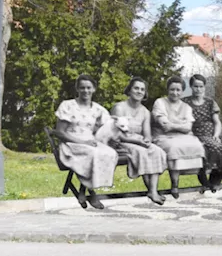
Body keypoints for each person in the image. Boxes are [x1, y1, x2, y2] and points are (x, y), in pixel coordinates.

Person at [53, 74, 119, 209]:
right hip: (70, 143)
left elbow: (103, 128)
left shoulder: (98, 109)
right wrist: (82, 142)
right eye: (82, 88)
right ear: (77, 89)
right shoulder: (68, 106)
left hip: (90, 142)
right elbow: (60, 133)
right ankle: (92, 192)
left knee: (110, 153)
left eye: (89, 87)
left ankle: (83, 190)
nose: (85, 91)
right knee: (93, 154)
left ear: (94, 89)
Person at [109, 76, 168, 205]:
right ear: (129, 90)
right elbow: (117, 134)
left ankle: (153, 191)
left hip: (137, 141)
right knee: (142, 152)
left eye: (142, 89)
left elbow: (147, 134)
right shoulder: (119, 108)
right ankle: (152, 191)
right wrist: (139, 143)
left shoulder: (145, 112)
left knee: (157, 151)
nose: (139, 91)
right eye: (136, 88)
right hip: (120, 142)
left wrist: (147, 141)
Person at [151, 75, 207, 199]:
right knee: (174, 147)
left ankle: (200, 178)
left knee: (196, 145)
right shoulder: (160, 102)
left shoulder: (186, 107)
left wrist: (173, 125)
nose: (175, 93)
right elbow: (164, 126)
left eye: (178, 90)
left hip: (184, 136)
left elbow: (188, 127)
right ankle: (175, 184)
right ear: (167, 90)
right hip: (163, 136)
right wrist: (180, 125)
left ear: (182, 91)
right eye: (172, 89)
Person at [185, 73, 222, 192]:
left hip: (214, 131)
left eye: (201, 86)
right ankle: (203, 175)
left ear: (204, 87)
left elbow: (217, 122)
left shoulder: (210, 102)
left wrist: (216, 134)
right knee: (214, 147)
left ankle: (216, 178)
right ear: (191, 87)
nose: (198, 89)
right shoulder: (186, 102)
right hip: (197, 133)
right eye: (195, 86)